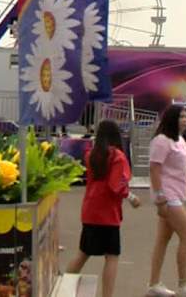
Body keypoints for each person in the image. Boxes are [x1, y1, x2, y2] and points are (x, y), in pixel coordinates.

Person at [66, 120, 139, 297]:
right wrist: (131, 197)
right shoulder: (118, 157)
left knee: (83, 253)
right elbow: (116, 185)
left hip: (90, 210)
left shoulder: (91, 155)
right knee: (112, 256)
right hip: (108, 213)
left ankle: (64, 287)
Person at [146, 105, 186, 297]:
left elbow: (185, 170)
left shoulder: (181, 141)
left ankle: (154, 284)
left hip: (178, 194)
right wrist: (160, 197)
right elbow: (154, 169)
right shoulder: (162, 141)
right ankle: (183, 284)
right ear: (172, 118)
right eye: (181, 117)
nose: (185, 120)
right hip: (168, 196)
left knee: (162, 239)